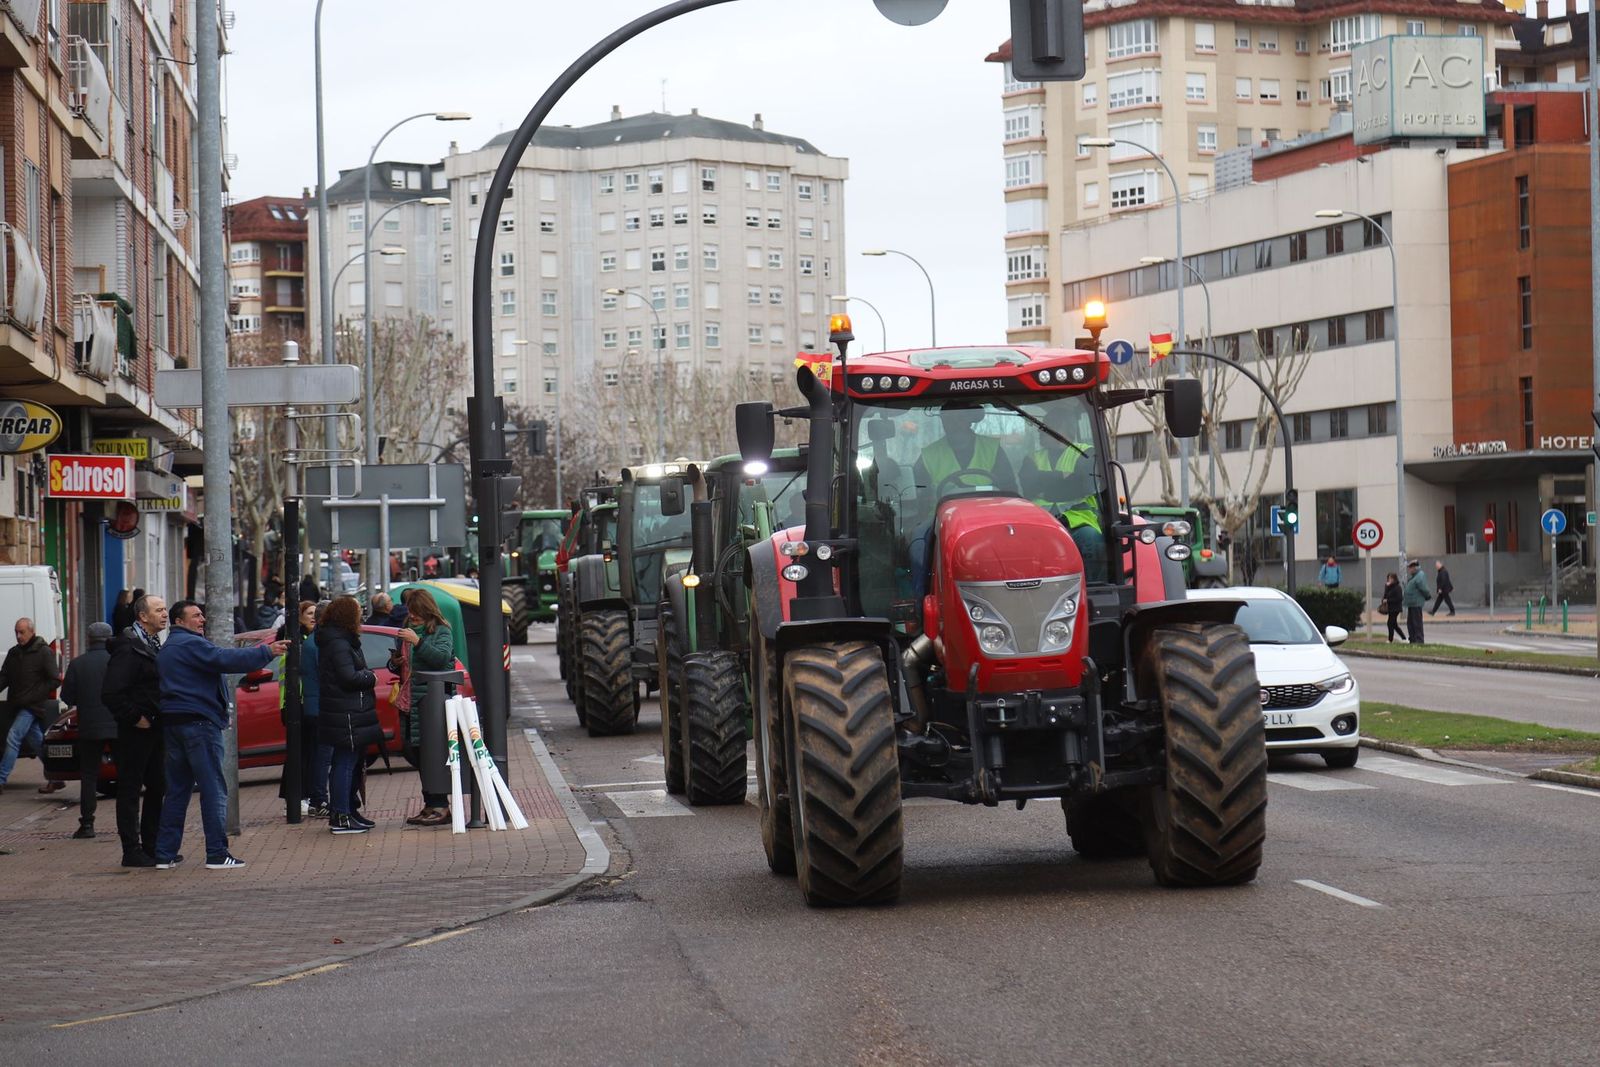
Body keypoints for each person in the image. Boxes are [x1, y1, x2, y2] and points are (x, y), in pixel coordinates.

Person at [153, 601, 286, 870]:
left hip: (174, 724)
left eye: (202, 614)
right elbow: (226, 659)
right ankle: (217, 853)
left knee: (177, 791)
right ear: (179, 622)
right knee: (213, 789)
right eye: (195, 616)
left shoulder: (168, 648)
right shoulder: (191, 644)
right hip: (199, 725)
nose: (202, 619)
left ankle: (165, 853)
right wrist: (266, 651)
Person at [102, 594, 169, 867]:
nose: (164, 614)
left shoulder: (153, 643)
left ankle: (152, 847)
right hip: (135, 730)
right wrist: (135, 717)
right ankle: (132, 850)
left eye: (165, 609)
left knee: (158, 785)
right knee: (130, 789)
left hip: (156, 727)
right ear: (143, 616)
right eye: (159, 610)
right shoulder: (129, 647)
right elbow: (111, 692)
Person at [316, 596, 382, 835]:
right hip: (345, 712)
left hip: (346, 710)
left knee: (349, 762)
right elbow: (348, 676)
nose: (361, 616)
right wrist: (370, 677)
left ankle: (347, 812)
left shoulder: (339, 640)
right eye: (358, 612)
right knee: (344, 762)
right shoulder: (339, 643)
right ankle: (341, 816)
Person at [397, 588, 456, 827]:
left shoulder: (441, 630)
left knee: (432, 752)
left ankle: (440, 805)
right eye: (410, 612)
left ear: (427, 610)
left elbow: (441, 659)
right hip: (411, 700)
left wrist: (418, 642)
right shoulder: (408, 632)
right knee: (415, 751)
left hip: (431, 702)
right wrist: (396, 662)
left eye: (416, 612)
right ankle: (430, 802)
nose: (412, 616)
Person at [60, 622, 116, 839]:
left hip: (89, 727)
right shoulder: (116, 662)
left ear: (89, 639)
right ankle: (130, 826)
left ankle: (87, 825)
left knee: (89, 776)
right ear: (109, 638)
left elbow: (67, 697)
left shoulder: (77, 664)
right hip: (118, 726)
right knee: (129, 777)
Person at [0, 618, 62, 795]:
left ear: (31, 632)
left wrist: (35, 696)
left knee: (13, 737)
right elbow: (4, 677)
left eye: (22, 632)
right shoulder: (14, 653)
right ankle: (56, 777)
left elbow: (54, 680)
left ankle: (0, 779)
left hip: (32, 706)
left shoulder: (43, 652)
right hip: (17, 705)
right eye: (16, 632)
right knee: (37, 743)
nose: (18, 636)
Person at [1402, 559, 1430, 646]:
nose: (1409, 570)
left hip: (1416, 603)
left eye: (1410, 568)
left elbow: (1424, 588)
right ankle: (1413, 639)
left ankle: (1419, 640)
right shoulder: (1415, 576)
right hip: (1412, 603)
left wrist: (1427, 595)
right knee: (1410, 623)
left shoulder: (1419, 576)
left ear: (1414, 567)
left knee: (1416, 622)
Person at [1381, 573, 1407, 644]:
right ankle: (1404, 638)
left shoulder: (1397, 587)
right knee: (1394, 624)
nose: (1390, 580)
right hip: (1390, 608)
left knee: (1390, 623)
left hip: (1396, 608)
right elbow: (1385, 595)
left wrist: (1388, 600)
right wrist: (1386, 587)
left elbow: (1399, 598)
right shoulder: (1389, 587)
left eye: (1391, 578)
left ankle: (1390, 639)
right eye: (1389, 578)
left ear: (1394, 579)